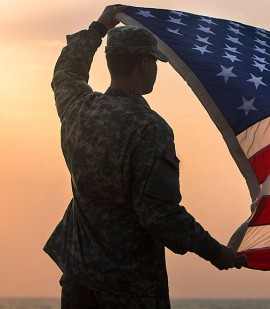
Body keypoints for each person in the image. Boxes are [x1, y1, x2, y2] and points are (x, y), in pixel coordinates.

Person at [44, 5, 242, 308]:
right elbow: (159, 215)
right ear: (144, 65)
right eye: (155, 62)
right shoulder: (149, 128)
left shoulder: (78, 109)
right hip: (130, 289)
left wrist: (99, 28)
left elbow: (66, 71)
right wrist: (216, 252)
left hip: (78, 280)